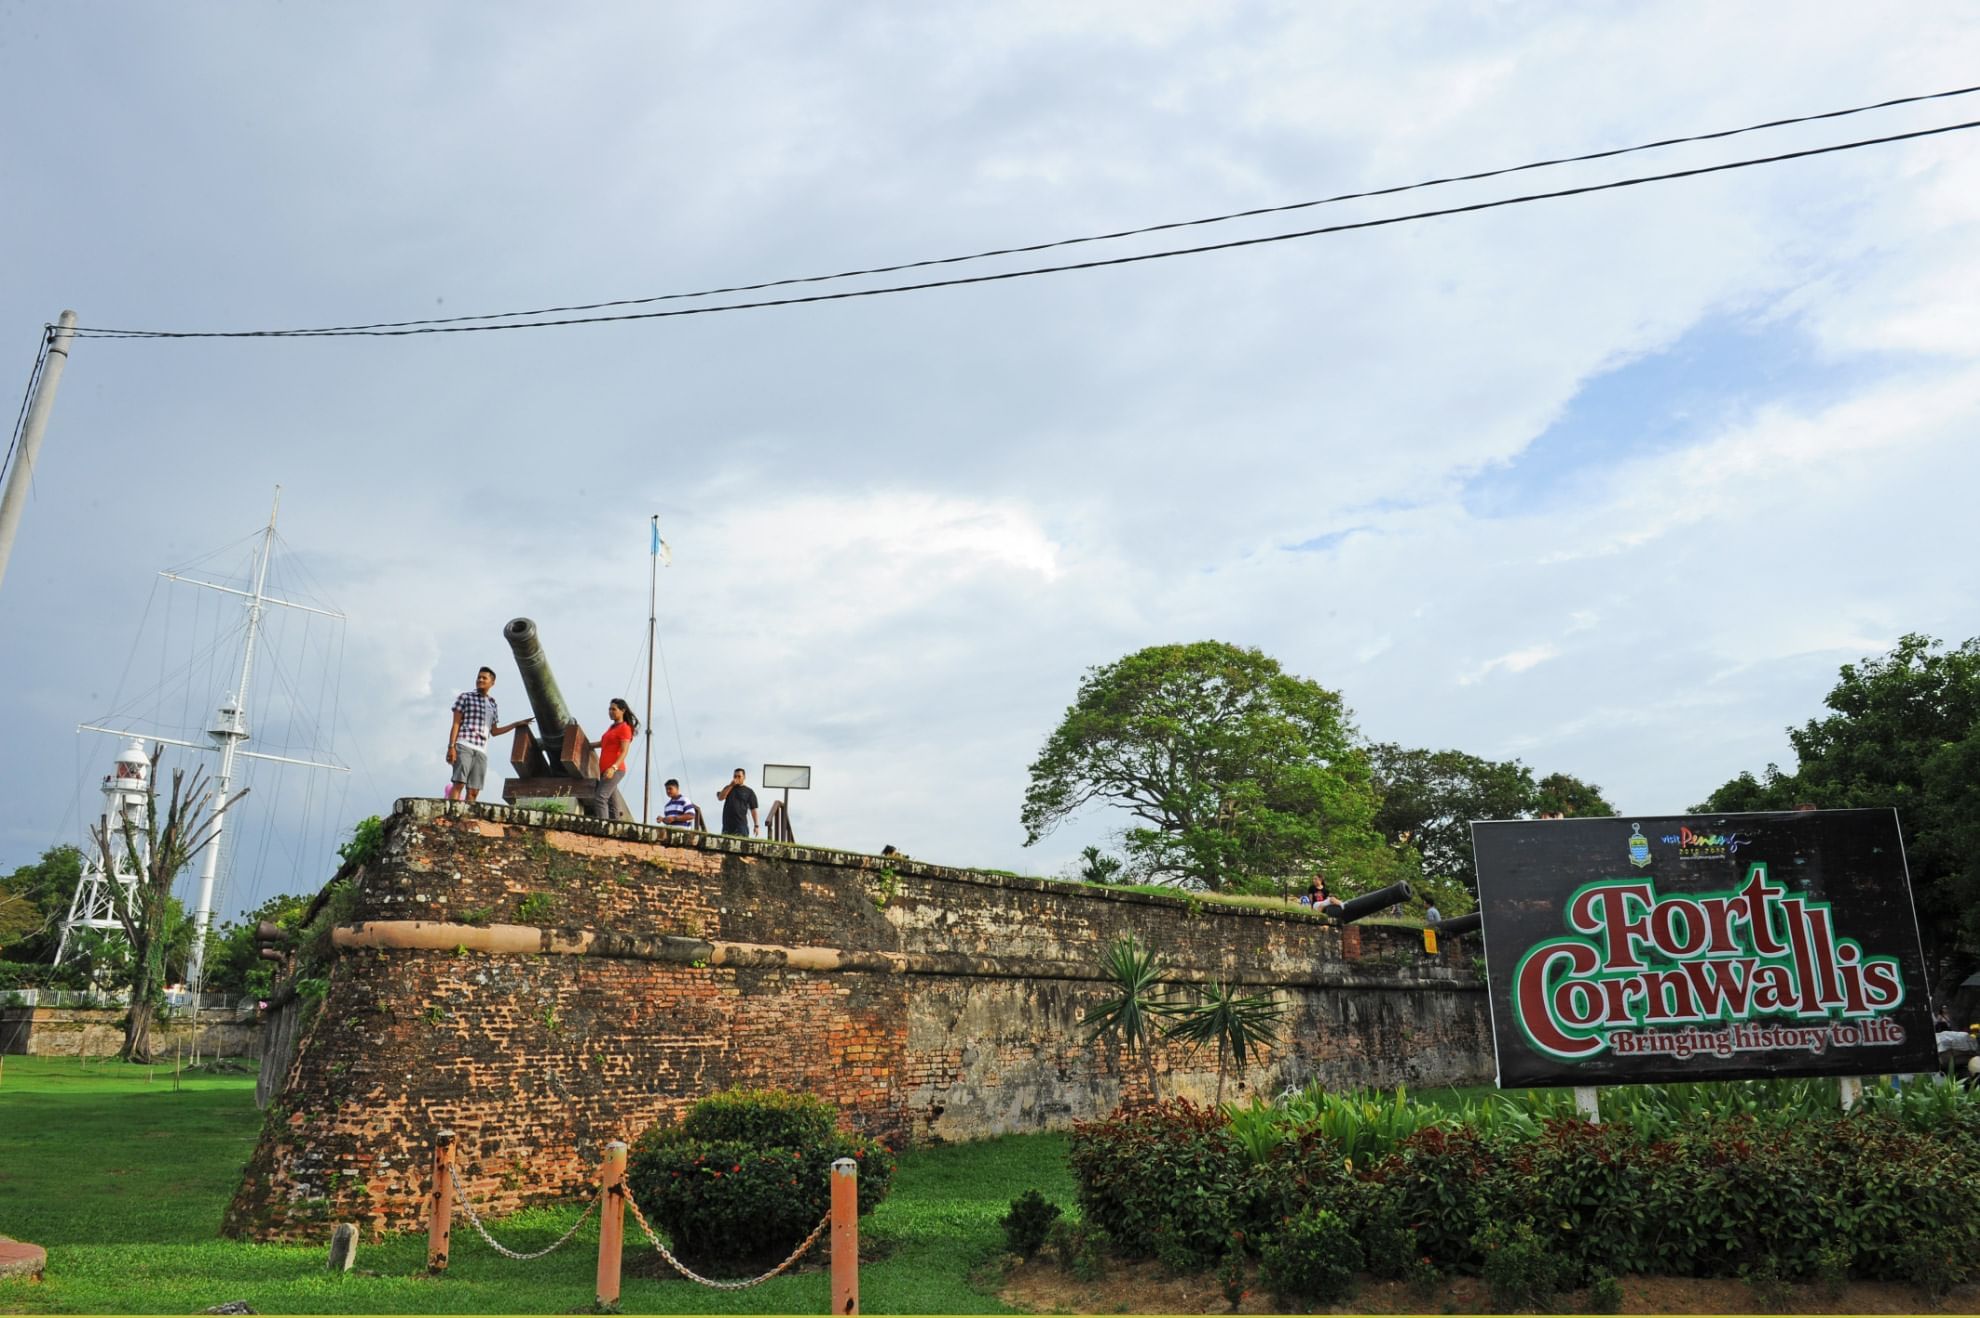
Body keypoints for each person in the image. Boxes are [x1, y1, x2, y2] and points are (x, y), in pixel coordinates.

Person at [446, 666, 530, 804]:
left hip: (481, 749)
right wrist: (451, 747)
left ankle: (466, 819)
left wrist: (516, 724)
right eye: (478, 677)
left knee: (474, 790)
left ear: (492, 682)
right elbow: (456, 724)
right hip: (464, 744)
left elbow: (495, 731)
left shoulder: (493, 704)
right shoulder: (465, 697)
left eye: (484, 678)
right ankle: (451, 815)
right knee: (459, 783)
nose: (480, 680)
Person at [584, 699, 637, 821]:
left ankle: (603, 828)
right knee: (613, 804)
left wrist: (613, 768)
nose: (611, 712)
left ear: (622, 711)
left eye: (614, 709)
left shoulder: (625, 728)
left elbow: (624, 751)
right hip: (604, 770)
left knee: (600, 797)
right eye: (609, 709)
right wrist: (587, 745)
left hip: (615, 770)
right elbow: (603, 743)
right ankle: (615, 828)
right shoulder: (612, 727)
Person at [716, 767, 759, 837]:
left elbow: (754, 809)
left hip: (741, 825)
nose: (737, 778)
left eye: (739, 776)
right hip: (727, 825)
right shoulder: (728, 788)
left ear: (744, 777)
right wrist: (731, 785)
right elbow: (721, 798)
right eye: (735, 776)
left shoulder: (749, 791)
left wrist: (756, 825)